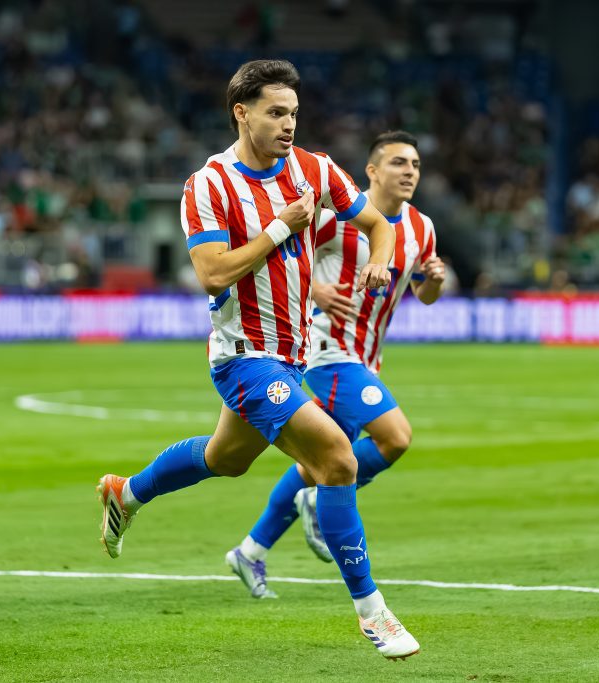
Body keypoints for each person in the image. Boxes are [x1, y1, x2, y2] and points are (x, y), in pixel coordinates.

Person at [96, 60, 420, 660]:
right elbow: (212, 273)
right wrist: (280, 227)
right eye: (276, 113)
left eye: (293, 113)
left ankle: (127, 493)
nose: (289, 124)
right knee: (338, 459)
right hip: (244, 357)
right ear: (242, 113)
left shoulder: (315, 169)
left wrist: (379, 259)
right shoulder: (209, 184)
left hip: (292, 356)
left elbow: (379, 224)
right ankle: (373, 612)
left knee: (226, 459)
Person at [230, 130, 445, 588]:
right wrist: (316, 290)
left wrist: (435, 282)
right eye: (399, 163)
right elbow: (283, 261)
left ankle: (250, 552)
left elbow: (423, 294)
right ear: (372, 171)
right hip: (327, 351)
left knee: (319, 462)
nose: (410, 172)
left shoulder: (421, 227)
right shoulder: (337, 216)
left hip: (366, 357)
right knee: (395, 437)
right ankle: (316, 502)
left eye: (415, 165)